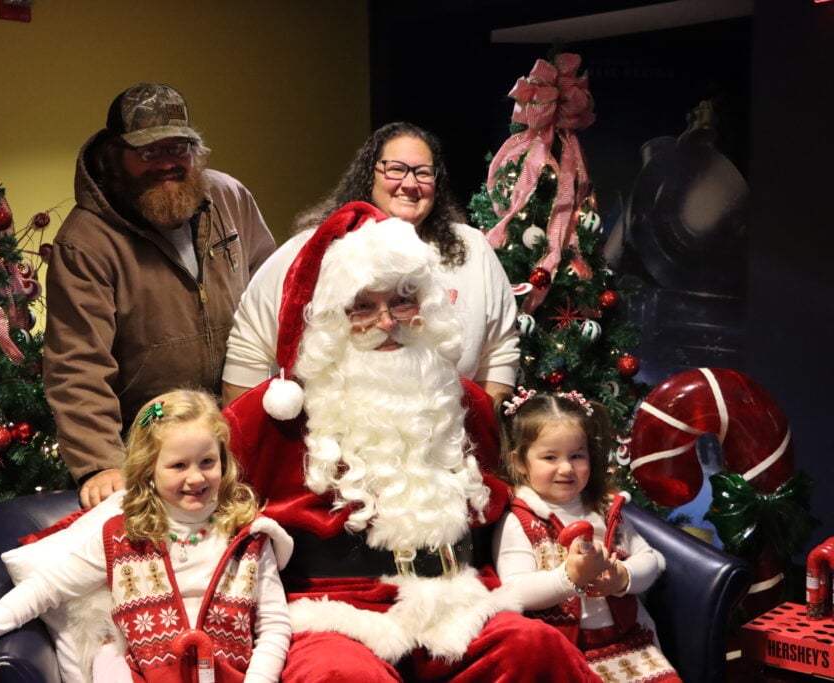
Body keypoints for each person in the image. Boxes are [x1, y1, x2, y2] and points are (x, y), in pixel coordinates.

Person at [223, 202, 598, 682]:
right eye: (363, 305)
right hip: (332, 612)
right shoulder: (271, 416)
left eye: (403, 300)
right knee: (340, 677)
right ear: (332, 320)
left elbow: (516, 500)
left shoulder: (465, 403)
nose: (386, 321)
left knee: (533, 647)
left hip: (457, 599)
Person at [0, 389, 293, 683]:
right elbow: (45, 588)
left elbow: (274, 627)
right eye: (178, 466)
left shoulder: (249, 537)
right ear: (149, 471)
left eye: (207, 462)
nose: (196, 478)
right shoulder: (122, 537)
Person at [44, 82, 276, 508]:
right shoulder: (86, 242)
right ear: (115, 156)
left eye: (180, 148)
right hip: (154, 450)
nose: (168, 163)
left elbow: (272, 295)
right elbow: (78, 364)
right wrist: (101, 464)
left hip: (241, 432)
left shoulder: (229, 197)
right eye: (149, 152)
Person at [222, 121, 518, 408]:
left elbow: (500, 353)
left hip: (447, 441)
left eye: (424, 173)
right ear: (369, 175)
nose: (410, 183)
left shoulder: (472, 249)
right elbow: (248, 347)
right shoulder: (311, 250)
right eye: (396, 169)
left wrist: (485, 434)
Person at [493, 388, 680, 682]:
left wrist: (623, 577)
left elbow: (650, 560)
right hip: (563, 653)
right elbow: (514, 592)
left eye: (577, 456)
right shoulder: (519, 522)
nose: (566, 468)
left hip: (628, 644)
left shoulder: (605, 510)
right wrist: (569, 578)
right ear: (519, 462)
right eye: (550, 457)